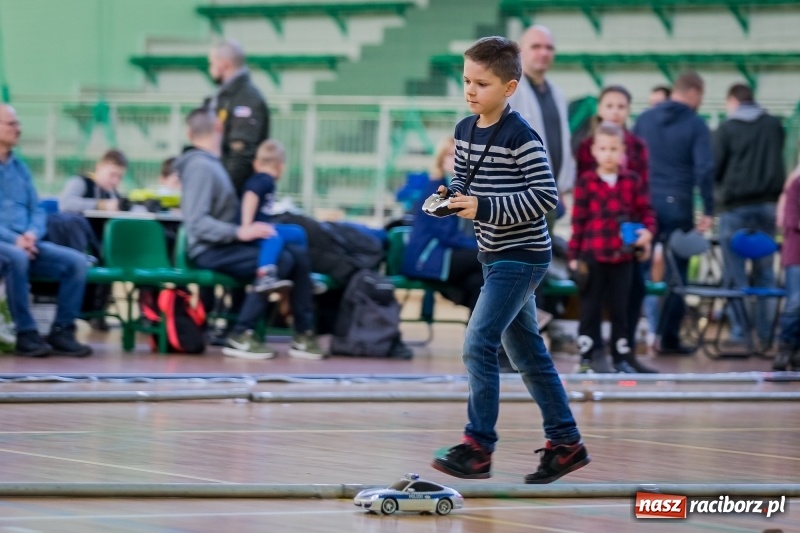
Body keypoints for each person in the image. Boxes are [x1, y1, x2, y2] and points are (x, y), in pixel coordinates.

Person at [430, 36, 589, 484]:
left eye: (482, 83)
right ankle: (566, 443)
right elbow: (464, 181)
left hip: (522, 256)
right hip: (491, 253)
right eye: (466, 81)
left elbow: (545, 197)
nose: (471, 91)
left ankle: (478, 446)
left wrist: (482, 206)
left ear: (510, 87)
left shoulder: (522, 136)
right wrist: (448, 197)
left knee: (477, 343)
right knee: (529, 355)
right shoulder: (464, 130)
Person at [177, 107, 323, 360]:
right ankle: (241, 334)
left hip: (223, 243)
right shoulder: (200, 166)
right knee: (282, 259)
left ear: (190, 133)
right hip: (209, 248)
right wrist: (240, 231)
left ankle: (303, 333)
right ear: (220, 128)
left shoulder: (211, 165)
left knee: (296, 253)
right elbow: (197, 224)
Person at [575, 85, 659, 373]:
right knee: (592, 300)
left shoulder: (638, 148)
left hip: (625, 242)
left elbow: (643, 200)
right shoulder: (586, 148)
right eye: (609, 105)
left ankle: (624, 355)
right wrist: (576, 251)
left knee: (629, 296)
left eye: (621, 106)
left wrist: (644, 237)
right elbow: (581, 209)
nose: (615, 111)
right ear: (600, 108)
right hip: (595, 244)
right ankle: (593, 353)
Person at [0, 104, 92, 357]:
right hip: (8, 245)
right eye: (12, 124)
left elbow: (38, 209)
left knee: (76, 262)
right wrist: (15, 240)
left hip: (26, 242)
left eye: (18, 123)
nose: (18, 129)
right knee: (16, 257)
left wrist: (31, 235)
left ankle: (62, 330)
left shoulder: (21, 168)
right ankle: (26, 334)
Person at [634, 71, 714, 355]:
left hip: (644, 202)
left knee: (637, 269)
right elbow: (705, 169)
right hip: (678, 204)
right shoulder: (696, 124)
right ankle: (669, 339)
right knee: (677, 275)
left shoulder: (644, 119)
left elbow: (631, 160)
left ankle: (629, 336)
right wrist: (708, 208)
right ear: (693, 92)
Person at [714, 83, 785, 348]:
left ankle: (740, 333)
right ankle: (765, 335)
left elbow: (716, 167)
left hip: (735, 208)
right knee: (765, 275)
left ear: (732, 101)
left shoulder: (727, 129)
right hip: (768, 208)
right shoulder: (773, 125)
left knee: (735, 274)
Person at [402, 137, 482, 312]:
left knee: (478, 282)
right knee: (489, 258)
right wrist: (481, 247)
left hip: (448, 255)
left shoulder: (462, 188)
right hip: (428, 257)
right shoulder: (437, 188)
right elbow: (446, 234)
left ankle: (479, 337)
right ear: (441, 160)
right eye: (451, 155)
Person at [508, 24, 575, 227]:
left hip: (547, 194)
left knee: (541, 256)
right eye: (536, 46)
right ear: (520, 50)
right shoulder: (509, 90)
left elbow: (562, 143)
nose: (544, 52)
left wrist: (562, 187)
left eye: (549, 47)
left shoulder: (557, 93)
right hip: (518, 195)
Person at [240, 139, 307, 294]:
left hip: (264, 224)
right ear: (281, 166)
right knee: (273, 238)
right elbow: (250, 196)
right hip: (255, 228)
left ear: (256, 164)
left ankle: (303, 273)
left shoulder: (265, 179)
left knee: (297, 233)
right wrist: (247, 225)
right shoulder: (264, 180)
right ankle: (264, 275)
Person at [207, 39, 270, 195]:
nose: (210, 69)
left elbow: (241, 156)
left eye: (212, 63)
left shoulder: (246, 98)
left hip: (235, 196)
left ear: (224, 64)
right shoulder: (226, 96)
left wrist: (222, 193)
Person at [775, 171, 800, 370]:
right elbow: (792, 221)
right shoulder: (796, 185)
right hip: (797, 254)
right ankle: (786, 347)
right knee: (795, 302)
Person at [58, 149, 127, 214]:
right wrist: (102, 206)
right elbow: (65, 204)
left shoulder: (113, 194)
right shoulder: (81, 182)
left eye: (120, 177)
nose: (115, 181)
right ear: (99, 167)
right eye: (112, 175)